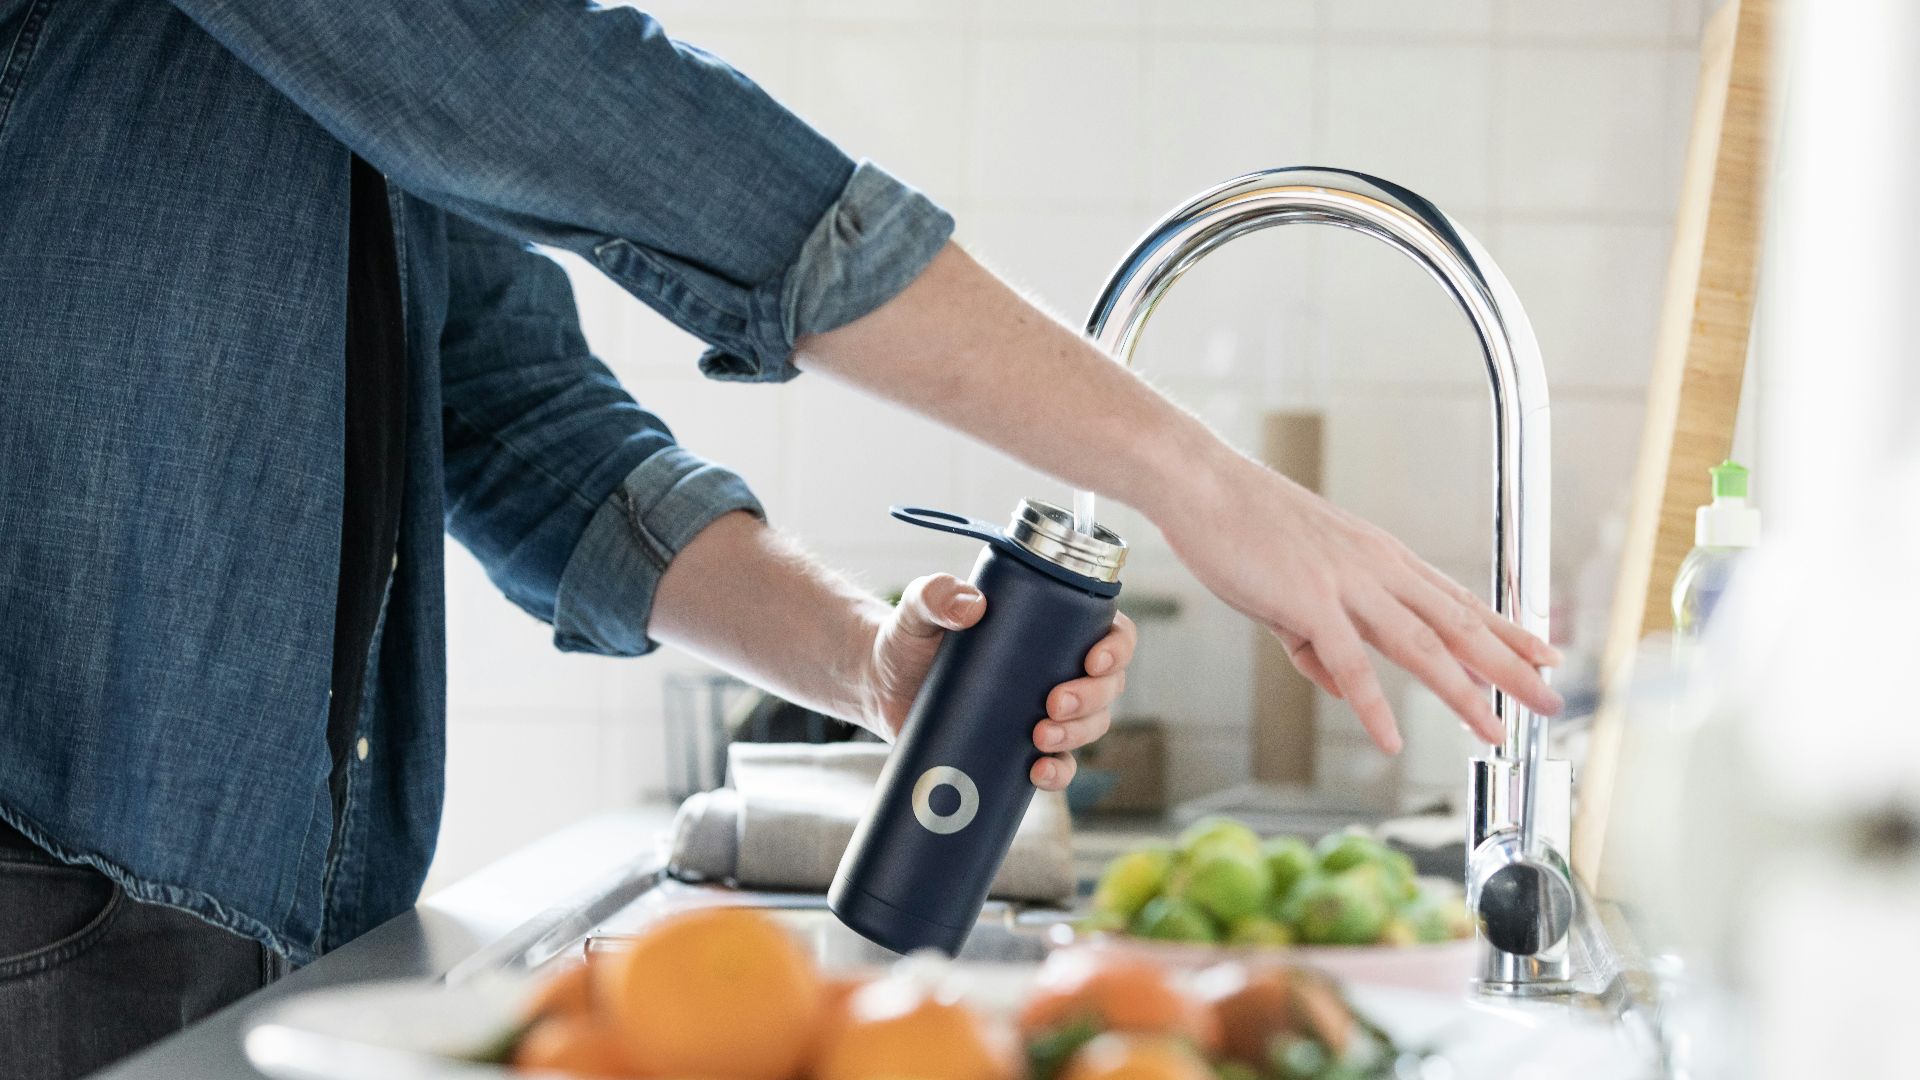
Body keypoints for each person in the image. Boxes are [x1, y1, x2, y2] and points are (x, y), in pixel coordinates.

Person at [0, 3, 1561, 1076]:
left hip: (246, 915)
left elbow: (514, 417)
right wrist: (1187, 473)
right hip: (42, 895)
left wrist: (868, 660)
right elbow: (561, 93)